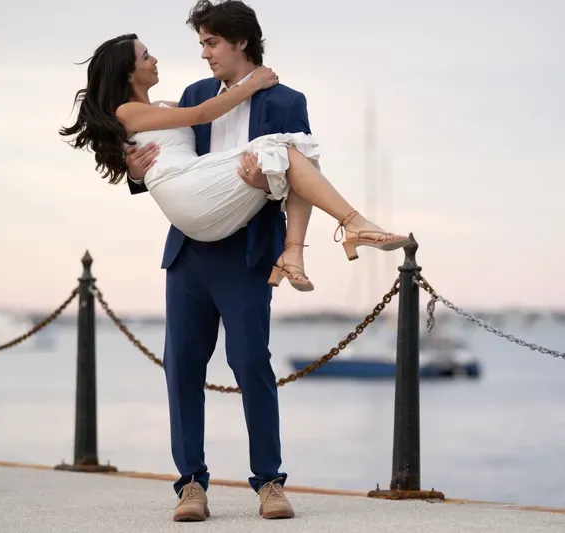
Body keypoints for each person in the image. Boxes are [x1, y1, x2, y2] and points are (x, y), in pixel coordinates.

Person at [60, 0, 411, 522]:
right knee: (181, 368)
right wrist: (132, 169)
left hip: (246, 254)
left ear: (241, 41)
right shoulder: (197, 97)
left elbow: (299, 181)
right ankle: (191, 487)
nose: (202, 55)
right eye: (200, 44)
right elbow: (164, 156)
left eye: (210, 43)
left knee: (251, 364)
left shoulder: (288, 100)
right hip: (189, 252)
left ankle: (269, 482)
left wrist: (289, 239)